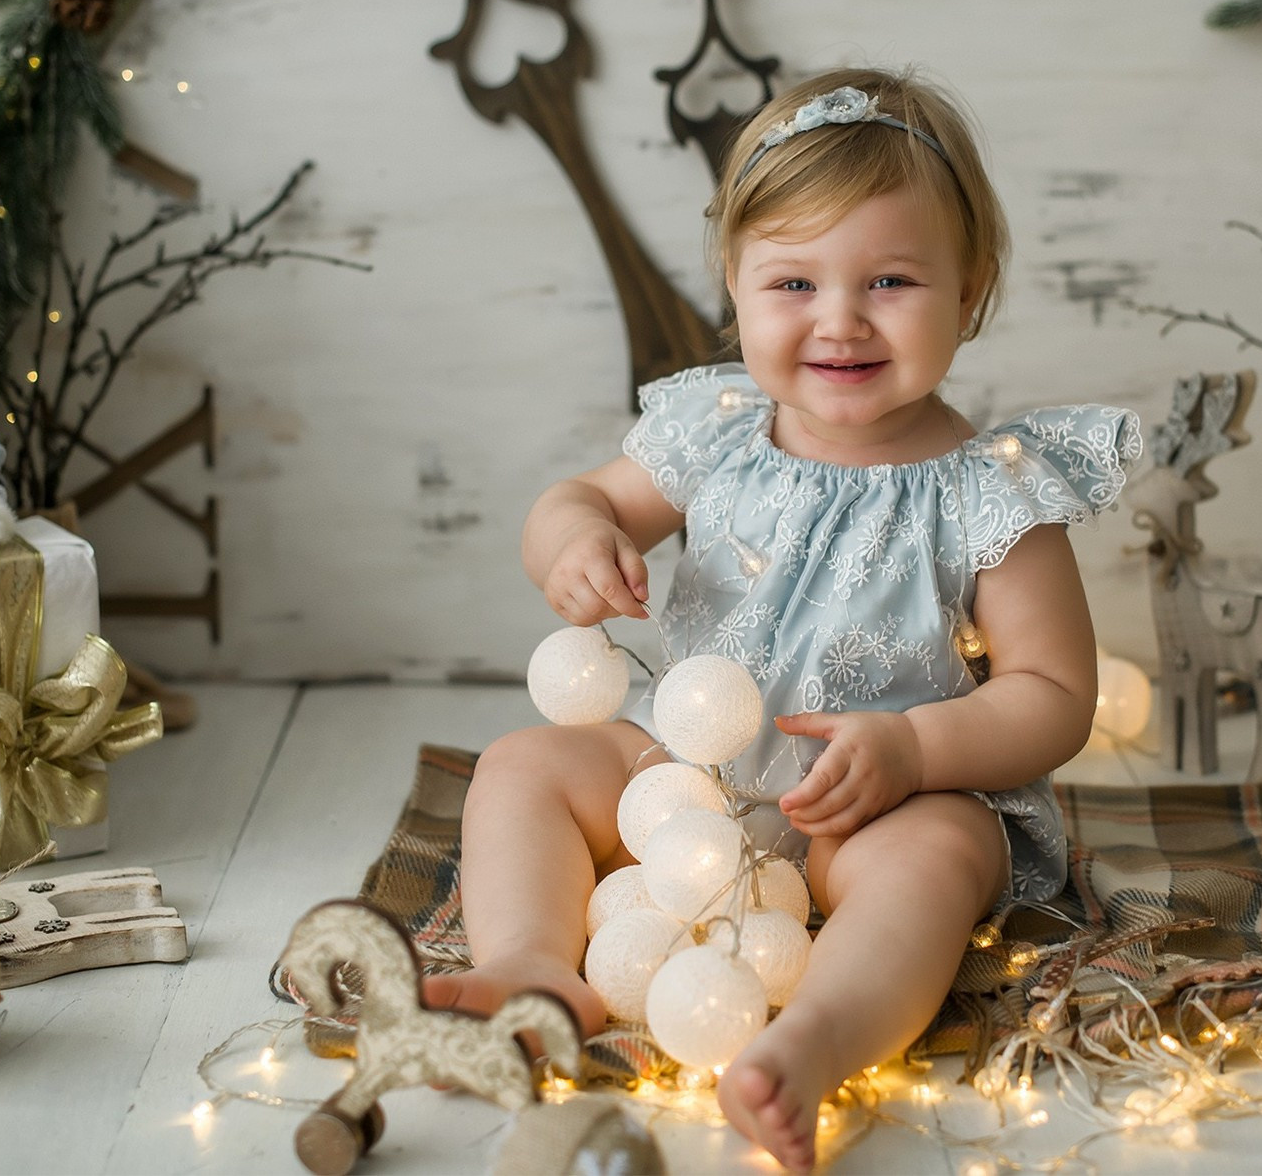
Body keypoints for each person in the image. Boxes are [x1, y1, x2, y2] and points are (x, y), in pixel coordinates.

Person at [427, 66, 1140, 1170]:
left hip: (868, 815)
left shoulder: (989, 489)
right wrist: (574, 541)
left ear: (971, 287)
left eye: (890, 280)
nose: (839, 319)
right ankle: (533, 964)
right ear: (733, 283)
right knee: (524, 764)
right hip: (683, 783)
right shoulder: (714, 430)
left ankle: (812, 1041)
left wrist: (912, 749)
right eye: (793, 283)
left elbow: (1053, 696)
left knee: (941, 855)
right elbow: (580, 501)